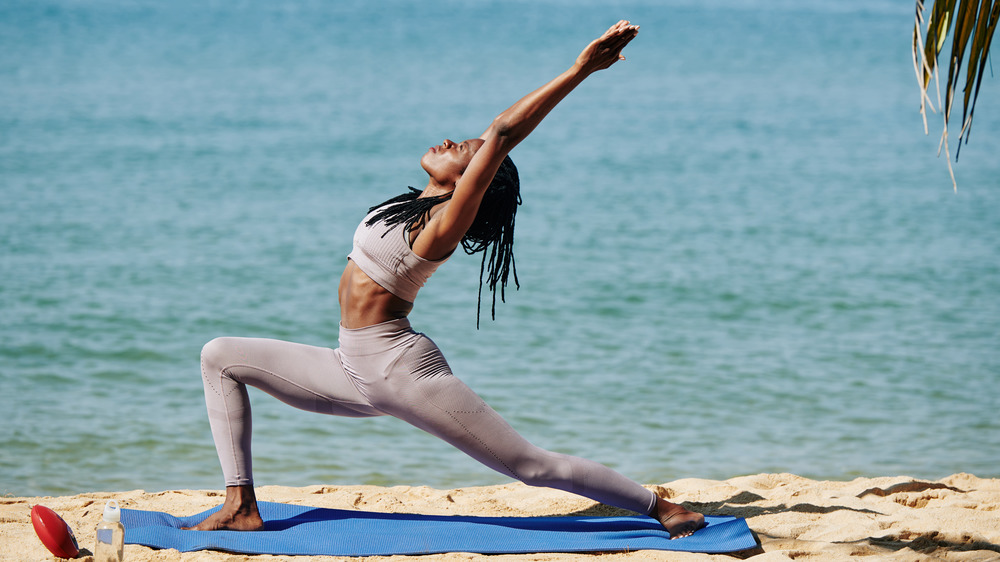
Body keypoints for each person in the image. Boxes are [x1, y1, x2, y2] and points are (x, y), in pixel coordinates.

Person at [186, 21, 705, 539]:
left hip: (398, 371)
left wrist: (580, 70)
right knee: (220, 356)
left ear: (473, 177)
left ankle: (660, 506)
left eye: (466, 149)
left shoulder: (440, 228)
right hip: (350, 366)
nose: (453, 140)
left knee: (529, 466)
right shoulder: (411, 208)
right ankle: (241, 505)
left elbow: (502, 133)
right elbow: (489, 140)